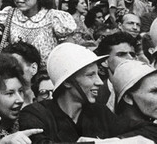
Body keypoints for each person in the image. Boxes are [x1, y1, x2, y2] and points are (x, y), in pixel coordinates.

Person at [19, 42, 157, 142]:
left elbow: (151, 130)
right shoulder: (35, 114)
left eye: (97, 74)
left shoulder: (99, 113)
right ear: (67, 81)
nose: (99, 82)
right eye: (90, 75)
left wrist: (111, 142)